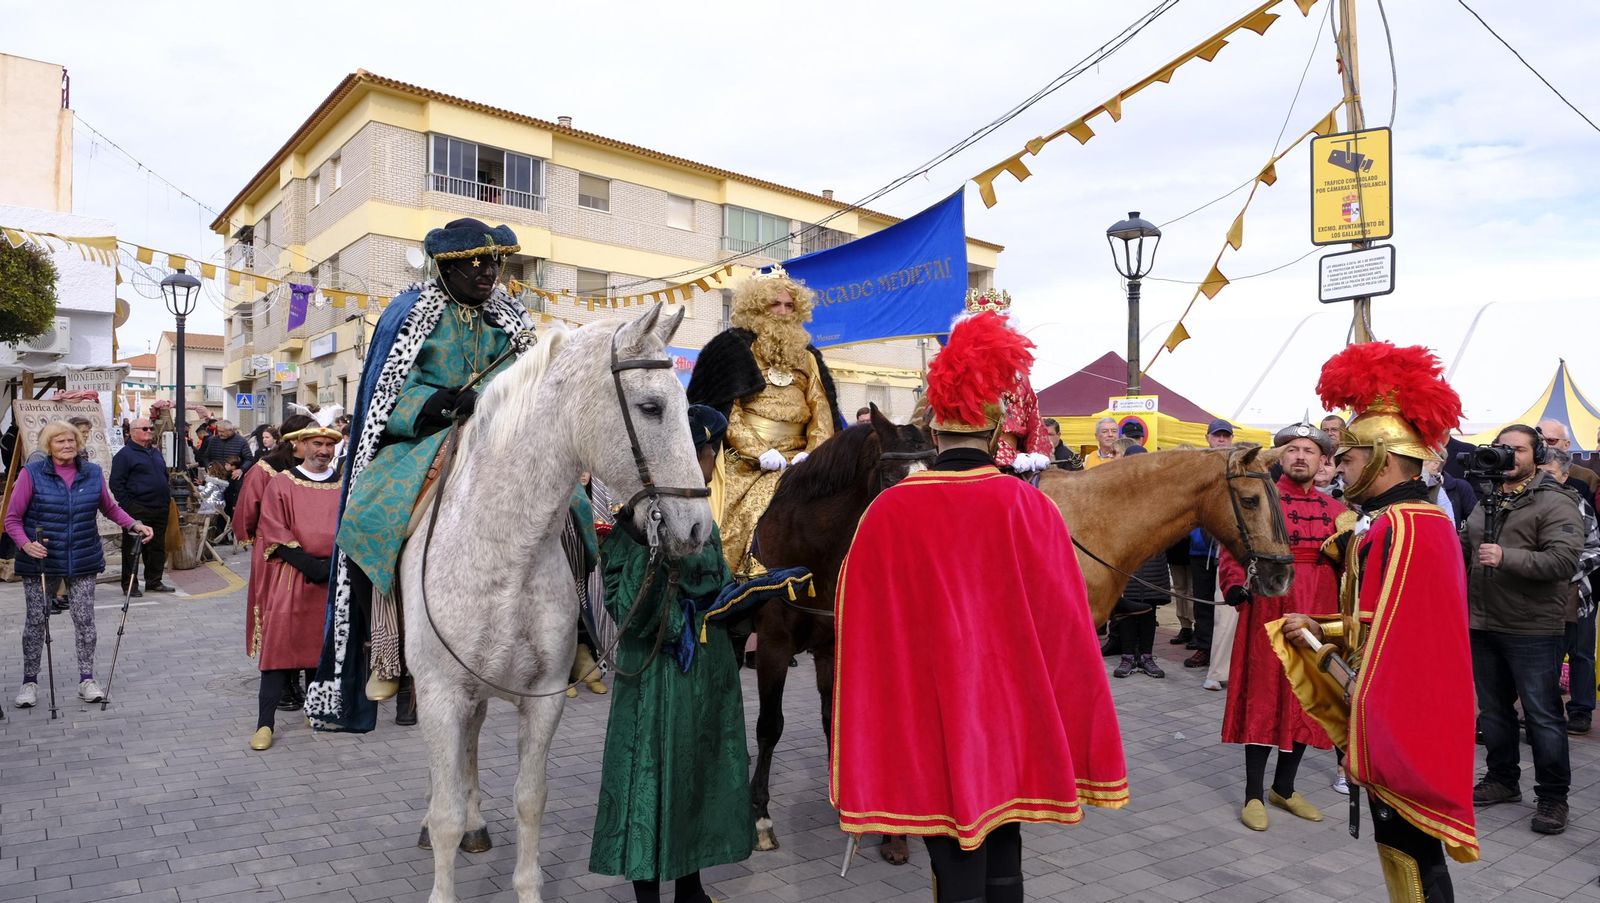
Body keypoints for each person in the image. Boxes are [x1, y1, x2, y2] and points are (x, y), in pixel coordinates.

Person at [831, 312, 1126, 902]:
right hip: (1012, 709)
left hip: (926, 709)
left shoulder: (888, 511)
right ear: (995, 437)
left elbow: (859, 629)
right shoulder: (1032, 507)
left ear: (932, 434)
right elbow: (1067, 624)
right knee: (1005, 841)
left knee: (948, 840)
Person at [308, 218, 537, 733]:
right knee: (370, 518)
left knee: (571, 506)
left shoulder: (511, 316)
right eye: (477, 264)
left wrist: (502, 399)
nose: (489, 274)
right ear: (447, 267)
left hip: (501, 434)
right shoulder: (409, 313)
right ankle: (386, 654)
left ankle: (579, 636)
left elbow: (532, 377)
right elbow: (386, 392)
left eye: (495, 263)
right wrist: (432, 402)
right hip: (427, 436)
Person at [1281, 342, 1478, 900]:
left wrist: (1318, 637)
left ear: (1383, 460)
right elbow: (1387, 620)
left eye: (1345, 458)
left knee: (1410, 848)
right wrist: (1321, 625)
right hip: (1416, 702)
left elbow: (1380, 634)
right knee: (1408, 847)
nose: (1336, 467)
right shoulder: (1415, 520)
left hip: (1403, 710)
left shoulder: (1400, 526)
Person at [589, 405, 752, 903]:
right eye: (711, 452)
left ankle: (691, 888)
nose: (713, 462)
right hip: (657, 677)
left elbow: (717, 583)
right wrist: (655, 560)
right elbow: (627, 611)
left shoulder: (700, 512)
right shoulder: (633, 526)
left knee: (697, 776)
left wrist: (749, 598)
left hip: (705, 673)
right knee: (648, 780)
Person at [1219, 420, 1344, 831]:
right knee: (1264, 694)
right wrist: (1235, 585)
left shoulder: (1340, 512)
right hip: (1268, 606)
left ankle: (1285, 788)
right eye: (1292, 450)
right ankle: (1254, 793)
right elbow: (1234, 550)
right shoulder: (1260, 499)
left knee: (1310, 698)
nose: (1301, 457)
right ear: (1280, 457)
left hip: (1320, 609)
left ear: (1324, 460)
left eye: (1309, 451)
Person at [1462, 424, 1582, 834]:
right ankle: (1502, 780)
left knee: (1543, 715)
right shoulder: (1487, 498)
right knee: (1494, 712)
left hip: (1532, 627)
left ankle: (1552, 797)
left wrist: (1507, 557)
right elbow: (1465, 548)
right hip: (1482, 621)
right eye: (1501, 448)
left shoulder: (1557, 501)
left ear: (1536, 456)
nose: (1508, 456)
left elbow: (1563, 563)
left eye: (1517, 450)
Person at [686, 264, 840, 577]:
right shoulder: (732, 348)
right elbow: (726, 409)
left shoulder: (808, 357)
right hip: (746, 461)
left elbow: (821, 410)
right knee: (733, 522)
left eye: (789, 305)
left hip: (800, 457)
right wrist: (758, 452)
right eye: (775, 304)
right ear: (756, 307)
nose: (783, 312)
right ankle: (729, 581)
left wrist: (813, 453)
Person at [9, 421, 153, 707]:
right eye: (60, 441)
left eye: (71, 441)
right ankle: (29, 682)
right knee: (36, 621)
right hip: (41, 559)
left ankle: (86, 680)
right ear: (48, 446)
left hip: (83, 556)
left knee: (85, 620)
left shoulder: (92, 472)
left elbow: (109, 507)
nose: (67, 446)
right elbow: (12, 518)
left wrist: (134, 524)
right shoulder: (32, 473)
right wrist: (26, 543)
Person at [248, 426, 342, 750]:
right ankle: (265, 723)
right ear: (301, 445)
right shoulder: (282, 483)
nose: (324, 450)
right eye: (317, 443)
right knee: (280, 647)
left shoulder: (344, 484)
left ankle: (314, 709)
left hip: (332, 575)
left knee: (321, 647)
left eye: (330, 444)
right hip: (293, 574)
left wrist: (333, 567)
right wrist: (310, 565)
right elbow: (272, 526)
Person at [236, 414, 315, 710]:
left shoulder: (317, 470)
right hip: (274, 553)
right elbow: (248, 512)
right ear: (296, 440)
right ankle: (283, 685)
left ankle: (305, 681)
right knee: (278, 616)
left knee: (305, 614)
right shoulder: (265, 469)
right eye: (311, 437)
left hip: (309, 554)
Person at [1538, 447, 1600, 735]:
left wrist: (1560, 569)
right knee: (1543, 656)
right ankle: (1543, 710)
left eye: (1549, 474)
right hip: (1535, 595)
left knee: (1581, 654)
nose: (1544, 479)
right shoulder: (1524, 503)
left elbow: (1595, 549)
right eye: (1540, 473)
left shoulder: (1579, 504)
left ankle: (1581, 710)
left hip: (1576, 594)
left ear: (1564, 477)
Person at [1109, 444, 1168, 679]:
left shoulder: (1160, 492)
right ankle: (1126, 656)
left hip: (1152, 559)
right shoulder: (1116, 492)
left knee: (1149, 609)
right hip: (1126, 559)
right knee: (1126, 609)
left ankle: (1146, 656)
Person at [1185, 419, 1237, 674]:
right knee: (1202, 599)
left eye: (1225, 436)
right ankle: (1204, 645)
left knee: (1228, 603)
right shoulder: (1196, 467)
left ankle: (1225, 653)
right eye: (1217, 436)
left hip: (1229, 548)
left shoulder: (1238, 467)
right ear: (1207, 438)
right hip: (1200, 546)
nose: (1221, 440)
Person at [110, 417, 175, 597]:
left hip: (159, 507)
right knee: (133, 549)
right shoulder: (124, 455)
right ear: (133, 432)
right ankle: (130, 584)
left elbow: (163, 475)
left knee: (157, 547)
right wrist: (130, 507)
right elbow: (116, 484)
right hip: (137, 509)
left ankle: (154, 581)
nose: (149, 431)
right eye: (145, 428)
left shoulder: (155, 452)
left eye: (151, 428)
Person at [1538, 419, 1600, 495]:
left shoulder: (1587, 477)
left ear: (1566, 445)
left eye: (1551, 440)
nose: (1544, 445)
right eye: (1539, 440)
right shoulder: (1523, 471)